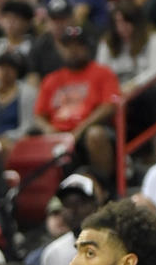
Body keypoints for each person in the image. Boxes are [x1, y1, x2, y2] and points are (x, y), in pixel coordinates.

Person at [33, 28, 119, 181]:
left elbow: (109, 106)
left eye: (78, 46)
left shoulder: (102, 72)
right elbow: (39, 114)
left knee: (95, 134)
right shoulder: (52, 79)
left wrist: (80, 129)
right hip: (59, 133)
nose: (73, 51)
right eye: (68, 46)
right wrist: (49, 129)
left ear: (87, 48)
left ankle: (105, 187)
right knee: (30, 139)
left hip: (87, 131)